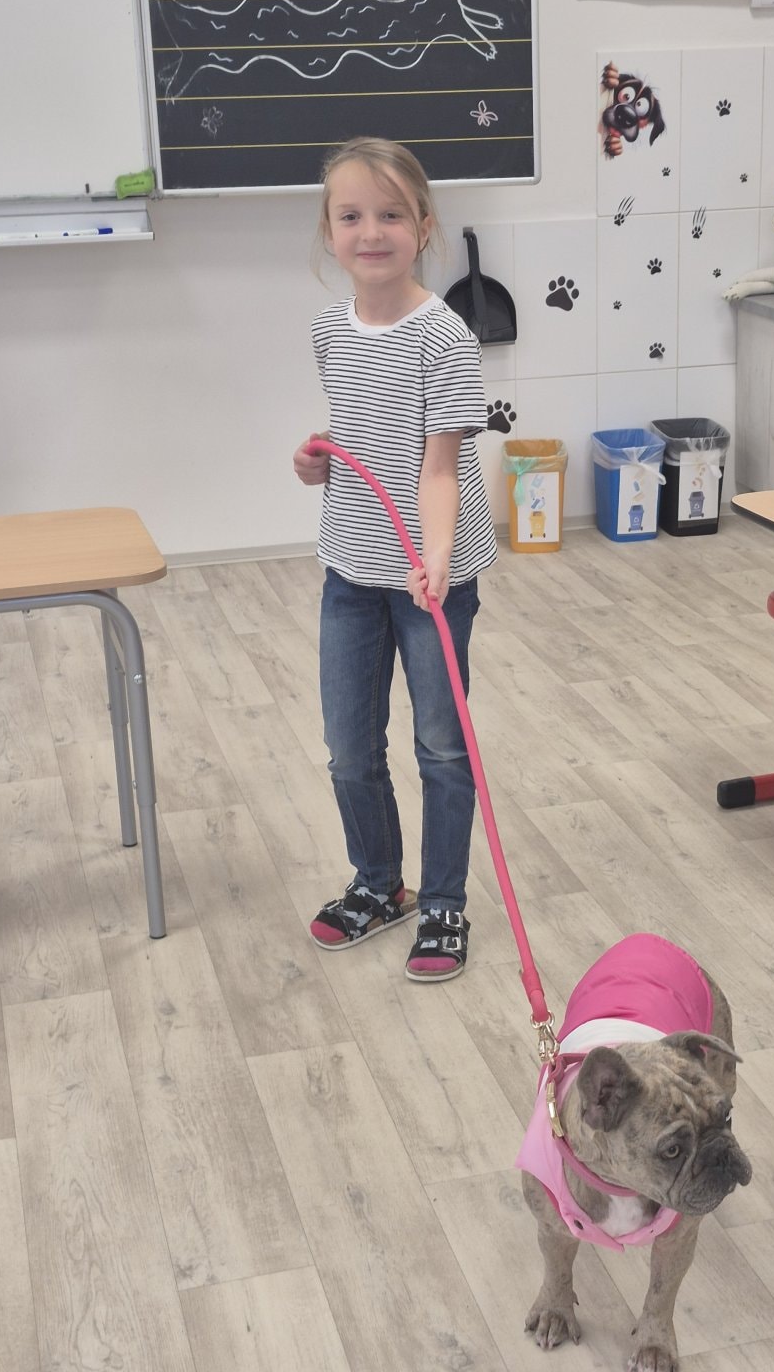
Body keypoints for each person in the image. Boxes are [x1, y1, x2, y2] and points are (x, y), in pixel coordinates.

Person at [293, 137, 497, 983]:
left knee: (442, 748)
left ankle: (444, 903)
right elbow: (358, 433)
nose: (369, 232)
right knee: (349, 747)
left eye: (389, 215)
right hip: (350, 569)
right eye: (350, 216)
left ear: (424, 226)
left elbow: (439, 467)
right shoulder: (328, 330)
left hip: (429, 578)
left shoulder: (443, 337)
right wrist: (317, 460)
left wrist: (438, 559)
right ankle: (379, 885)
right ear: (329, 230)